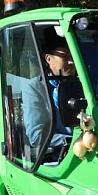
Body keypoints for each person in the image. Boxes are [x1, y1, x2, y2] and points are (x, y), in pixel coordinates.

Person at [22, 27, 76, 158]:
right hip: (57, 158)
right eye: (65, 56)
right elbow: (37, 136)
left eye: (73, 56)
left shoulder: (83, 83)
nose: (71, 62)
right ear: (48, 59)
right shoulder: (34, 88)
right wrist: (74, 140)